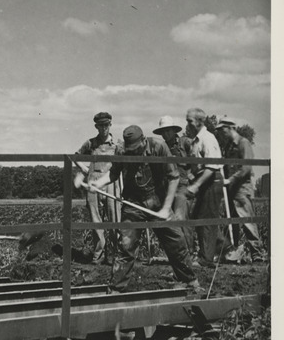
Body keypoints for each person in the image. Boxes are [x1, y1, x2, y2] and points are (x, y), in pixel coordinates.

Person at [78, 125, 201, 295]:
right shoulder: (122, 152)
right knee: (126, 245)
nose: (134, 154)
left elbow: (173, 177)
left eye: (136, 150)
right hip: (133, 203)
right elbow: (113, 173)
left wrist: (166, 208)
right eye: (131, 151)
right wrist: (97, 184)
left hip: (158, 202)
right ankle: (116, 289)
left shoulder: (159, 147)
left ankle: (190, 281)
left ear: (144, 141)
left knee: (176, 242)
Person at [215, 118, 267, 263]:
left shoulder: (243, 143)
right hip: (231, 190)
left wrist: (230, 180)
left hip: (242, 190)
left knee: (248, 222)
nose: (221, 133)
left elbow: (246, 168)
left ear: (230, 128)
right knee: (231, 222)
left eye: (222, 130)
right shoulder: (229, 147)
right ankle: (233, 252)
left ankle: (257, 253)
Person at [74, 112, 121, 264]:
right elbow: (76, 156)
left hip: (111, 184)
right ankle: (98, 256)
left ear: (110, 125)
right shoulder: (90, 143)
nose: (104, 128)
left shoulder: (118, 145)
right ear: (96, 126)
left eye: (106, 125)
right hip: (93, 184)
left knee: (115, 220)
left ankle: (114, 255)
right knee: (96, 220)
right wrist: (85, 170)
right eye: (100, 126)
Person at [184, 107, 225, 267]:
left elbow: (212, 166)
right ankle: (226, 248)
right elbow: (199, 166)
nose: (187, 124)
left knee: (206, 219)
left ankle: (206, 259)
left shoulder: (208, 139)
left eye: (190, 121)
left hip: (212, 182)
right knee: (199, 217)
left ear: (200, 122)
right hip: (204, 181)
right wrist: (192, 176)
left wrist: (196, 186)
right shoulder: (196, 140)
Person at [152, 115, 194, 254]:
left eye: (168, 130)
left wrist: (192, 175)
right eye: (163, 131)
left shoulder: (185, 143)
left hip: (182, 186)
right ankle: (175, 253)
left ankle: (189, 252)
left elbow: (197, 158)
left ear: (174, 130)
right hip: (166, 188)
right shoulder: (160, 148)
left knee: (181, 219)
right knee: (165, 220)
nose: (165, 134)